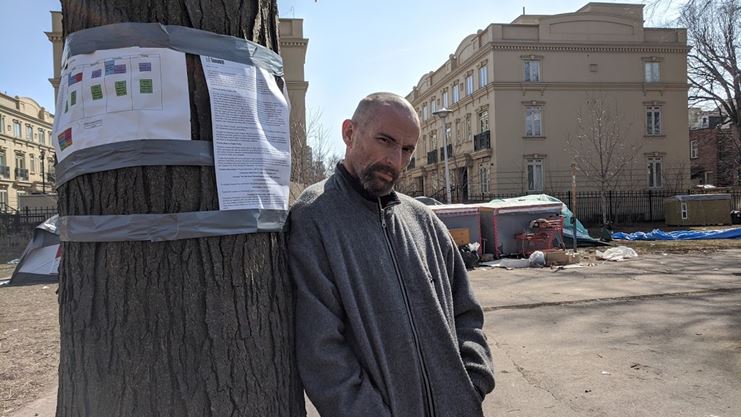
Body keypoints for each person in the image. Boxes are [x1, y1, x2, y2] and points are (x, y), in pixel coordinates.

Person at [287, 92, 495, 417]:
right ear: (349, 133)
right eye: (385, 141)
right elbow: (321, 351)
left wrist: (473, 383)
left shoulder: (423, 220)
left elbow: (466, 313)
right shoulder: (314, 218)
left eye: (407, 149)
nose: (396, 161)